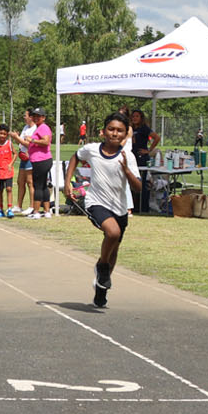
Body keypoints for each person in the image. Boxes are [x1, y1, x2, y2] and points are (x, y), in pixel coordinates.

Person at [64, 112, 141, 308]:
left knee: (114, 248)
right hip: (96, 202)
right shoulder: (91, 149)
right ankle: (102, 267)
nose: (115, 133)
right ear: (103, 131)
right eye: (111, 129)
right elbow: (75, 157)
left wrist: (126, 170)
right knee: (112, 232)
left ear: (125, 135)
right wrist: (68, 183)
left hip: (120, 207)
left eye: (120, 131)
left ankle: (101, 288)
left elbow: (138, 187)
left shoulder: (127, 156)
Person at [128, 109, 160, 212]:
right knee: (131, 183)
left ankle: (143, 208)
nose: (134, 118)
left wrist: (148, 150)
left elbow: (157, 138)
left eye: (137, 116)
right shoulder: (131, 129)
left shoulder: (144, 128)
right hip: (132, 158)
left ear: (141, 118)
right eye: (133, 116)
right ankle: (133, 206)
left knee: (141, 182)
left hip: (142, 158)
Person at [25, 106, 55, 218]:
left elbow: (46, 141)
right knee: (42, 186)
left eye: (39, 116)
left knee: (37, 185)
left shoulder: (43, 128)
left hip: (41, 160)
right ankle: (47, 211)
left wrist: (32, 140)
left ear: (44, 117)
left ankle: (36, 212)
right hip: (42, 160)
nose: (36, 118)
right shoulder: (39, 127)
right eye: (34, 116)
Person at [0, 124, 15, 217]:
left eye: (4, 134)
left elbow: (15, 154)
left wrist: (11, 164)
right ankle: (0, 209)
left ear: (7, 135)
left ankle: (9, 209)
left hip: (8, 171)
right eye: (0, 133)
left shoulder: (9, 143)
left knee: (9, 189)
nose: (2, 136)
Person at [15, 110, 35, 214]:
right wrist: (17, 138)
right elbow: (21, 141)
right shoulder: (25, 127)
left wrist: (16, 137)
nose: (24, 117)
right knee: (20, 181)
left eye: (25, 115)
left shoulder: (35, 129)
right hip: (23, 156)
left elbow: (29, 144)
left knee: (30, 182)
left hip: (30, 157)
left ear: (31, 117)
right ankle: (19, 205)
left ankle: (32, 206)